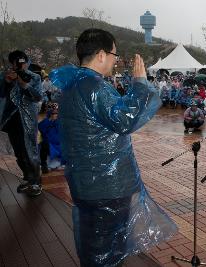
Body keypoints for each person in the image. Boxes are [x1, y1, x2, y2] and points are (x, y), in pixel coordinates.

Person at [49, 28, 177, 267]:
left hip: (86, 182)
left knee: (94, 246)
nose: (115, 61)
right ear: (101, 55)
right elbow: (125, 119)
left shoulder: (73, 86)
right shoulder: (93, 86)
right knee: (108, 251)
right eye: (114, 55)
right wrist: (140, 83)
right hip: (106, 187)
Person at [0, 50, 43, 197]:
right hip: (11, 120)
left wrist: (24, 85)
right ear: (12, 63)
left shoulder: (35, 77)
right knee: (18, 151)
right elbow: (1, 94)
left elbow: (38, 97)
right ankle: (28, 179)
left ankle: (36, 182)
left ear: (27, 61)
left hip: (28, 120)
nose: (21, 64)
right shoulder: (6, 75)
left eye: (23, 61)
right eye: (17, 61)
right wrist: (6, 82)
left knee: (30, 150)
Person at [38, 103, 62, 173]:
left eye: (56, 113)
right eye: (53, 113)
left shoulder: (61, 122)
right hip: (48, 146)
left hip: (58, 147)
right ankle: (43, 164)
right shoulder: (46, 121)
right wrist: (49, 120)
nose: (54, 115)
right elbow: (40, 127)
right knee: (43, 144)